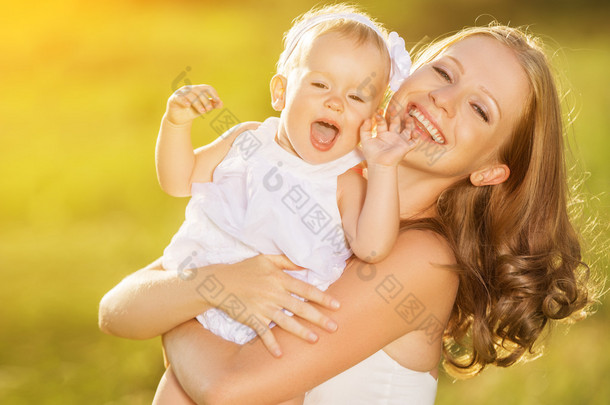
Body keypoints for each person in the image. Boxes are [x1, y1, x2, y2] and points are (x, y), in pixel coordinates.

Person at [99, 22, 597, 405]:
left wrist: (197, 293)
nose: (443, 101)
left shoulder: (423, 259)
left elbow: (226, 389)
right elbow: (116, 309)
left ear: (490, 170)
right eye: (444, 73)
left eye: (479, 110)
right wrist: (211, 286)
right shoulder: (310, 186)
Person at [156, 3, 413, 351]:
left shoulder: (344, 183)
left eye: (356, 96)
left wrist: (382, 168)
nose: (336, 103)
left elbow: (372, 247)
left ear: (373, 118)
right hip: (203, 300)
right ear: (280, 92)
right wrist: (176, 124)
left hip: (277, 329)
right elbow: (178, 181)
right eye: (320, 84)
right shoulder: (246, 140)